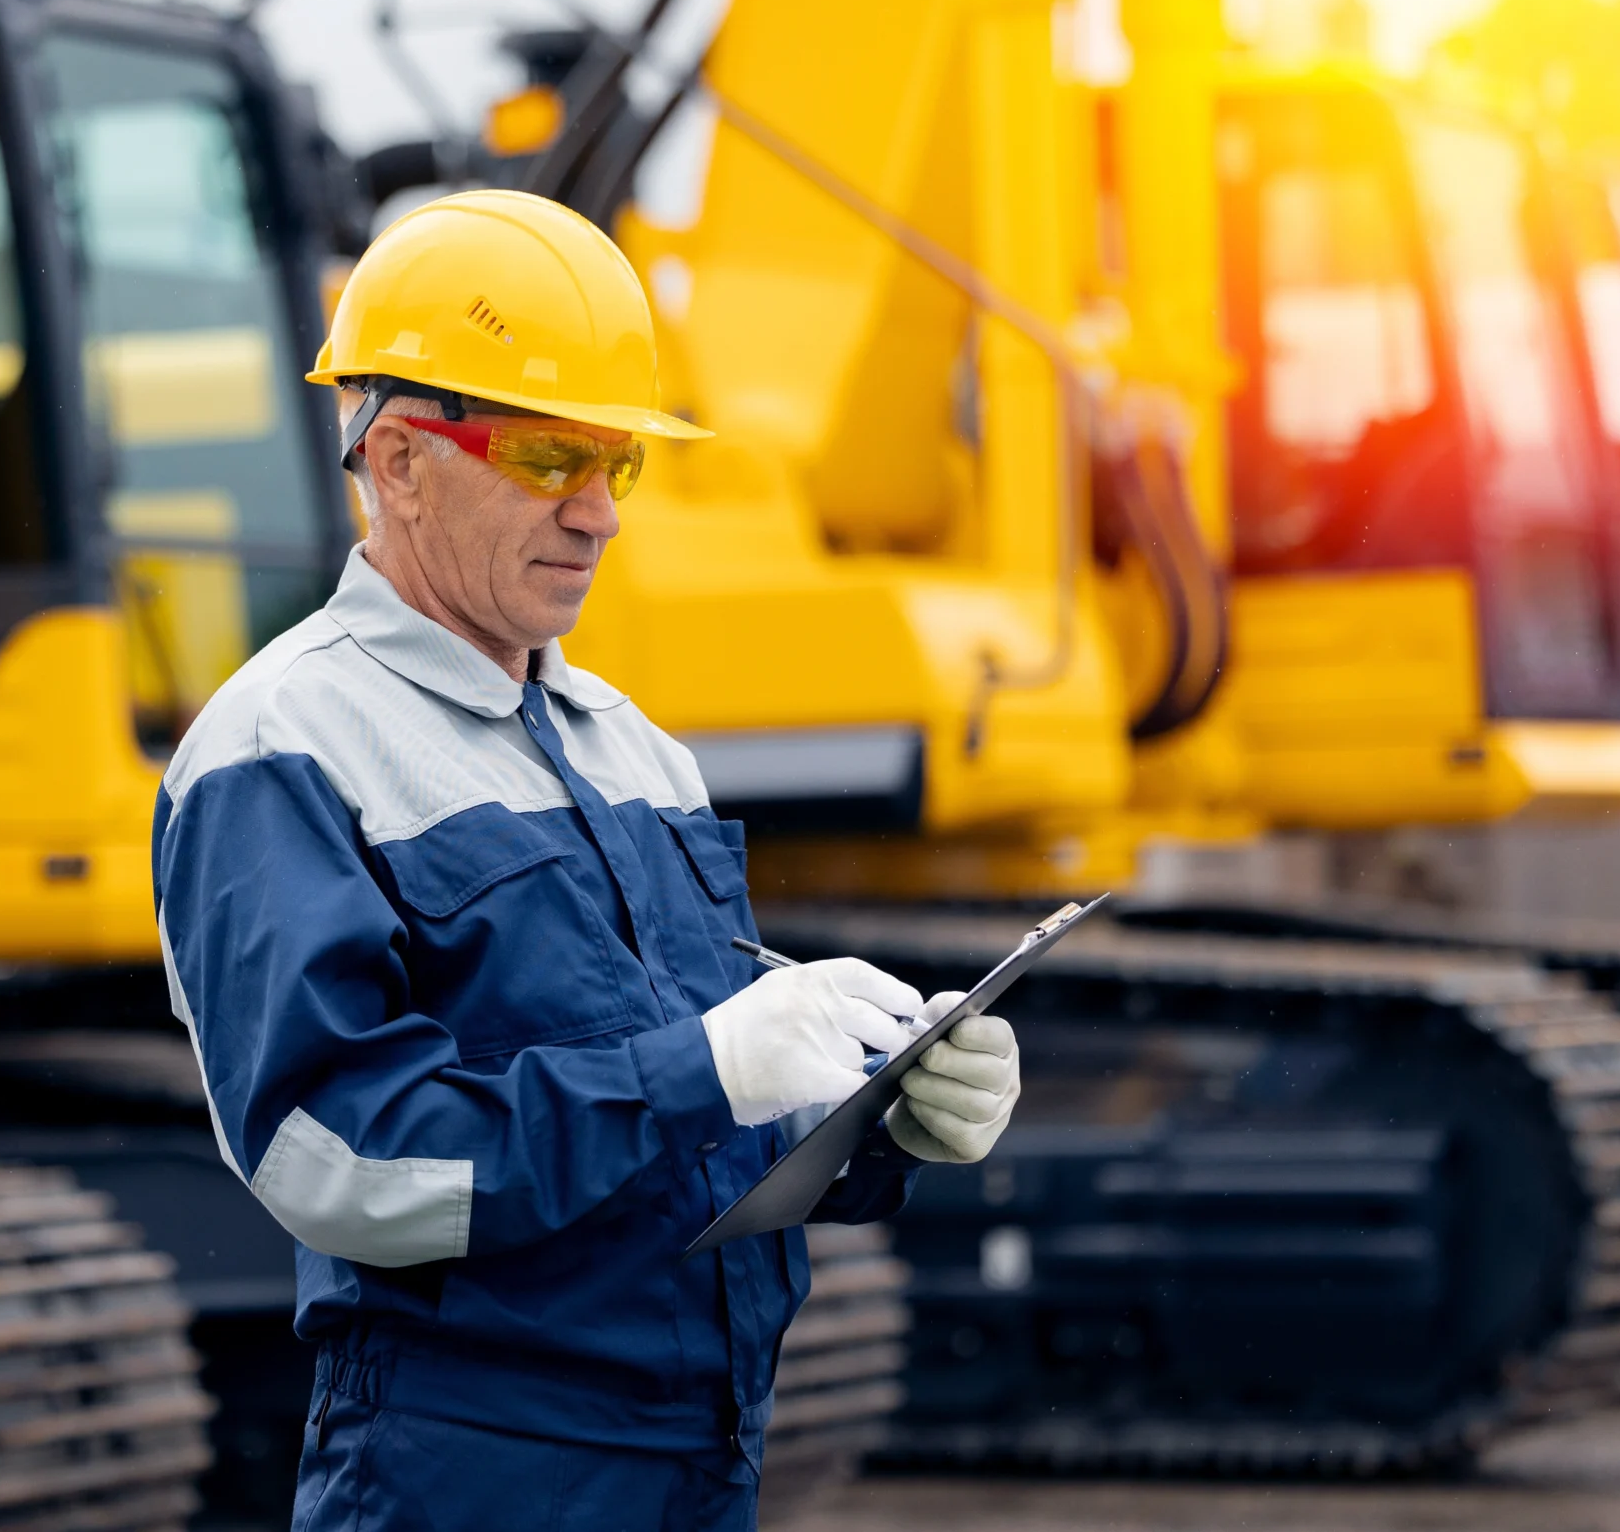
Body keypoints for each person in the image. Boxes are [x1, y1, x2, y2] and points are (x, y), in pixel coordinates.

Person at [151, 190, 1021, 1531]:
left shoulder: (636, 751)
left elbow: (698, 1142)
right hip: (474, 1464)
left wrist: (880, 1118)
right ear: (396, 459)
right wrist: (705, 1064)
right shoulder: (284, 747)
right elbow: (348, 1163)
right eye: (552, 456)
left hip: (699, 1452)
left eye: (623, 462)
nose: (601, 514)